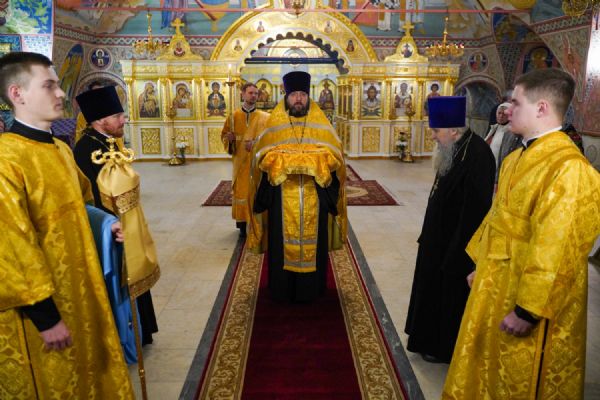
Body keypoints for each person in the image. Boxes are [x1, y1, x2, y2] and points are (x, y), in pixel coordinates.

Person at [443, 68, 600, 399]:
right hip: (498, 279)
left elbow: (559, 247)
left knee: (520, 373)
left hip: (531, 298)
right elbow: (498, 218)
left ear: (541, 108)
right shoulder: (515, 158)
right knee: (488, 366)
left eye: (515, 102)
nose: (506, 109)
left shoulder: (568, 169)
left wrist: (528, 310)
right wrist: (482, 264)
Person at [0, 52, 134, 398]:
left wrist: (105, 225)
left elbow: (80, 204)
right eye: (49, 86)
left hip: (80, 289)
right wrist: (46, 317)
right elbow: (10, 246)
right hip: (41, 308)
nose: (61, 93)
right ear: (17, 93)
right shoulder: (6, 160)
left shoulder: (59, 149)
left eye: (58, 85)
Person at [404, 96, 496, 364]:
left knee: (448, 298)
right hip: (436, 239)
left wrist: (457, 253)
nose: (432, 136)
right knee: (430, 290)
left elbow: (475, 212)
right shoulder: (452, 147)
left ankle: (442, 348)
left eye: (436, 131)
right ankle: (425, 340)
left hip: (455, 246)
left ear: (454, 130)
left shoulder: (478, 155)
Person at [247, 71, 347, 302]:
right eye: (294, 95)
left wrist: (316, 160)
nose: (299, 99)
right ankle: (282, 288)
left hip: (315, 195)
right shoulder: (274, 124)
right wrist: (280, 160)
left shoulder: (321, 124)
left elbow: (337, 155)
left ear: (308, 96)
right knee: (280, 242)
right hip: (281, 196)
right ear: (286, 97)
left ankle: (312, 289)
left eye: (302, 94)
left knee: (315, 241)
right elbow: (260, 156)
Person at [74, 86, 159, 346]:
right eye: (118, 116)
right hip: (112, 232)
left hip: (127, 224)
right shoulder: (86, 149)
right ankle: (128, 338)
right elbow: (91, 197)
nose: (124, 120)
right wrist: (111, 227)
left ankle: (142, 331)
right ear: (101, 120)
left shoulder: (107, 142)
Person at [220, 82, 269, 237]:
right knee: (241, 191)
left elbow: (269, 139)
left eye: (256, 93)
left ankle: (257, 222)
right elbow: (224, 136)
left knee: (257, 191)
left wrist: (256, 143)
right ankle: (242, 224)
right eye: (250, 93)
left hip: (257, 162)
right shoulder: (233, 117)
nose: (254, 96)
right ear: (242, 94)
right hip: (240, 162)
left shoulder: (265, 117)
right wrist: (229, 140)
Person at [483, 102, 521, 182]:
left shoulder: (512, 132)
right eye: (499, 113)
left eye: (504, 114)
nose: (501, 116)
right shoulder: (494, 128)